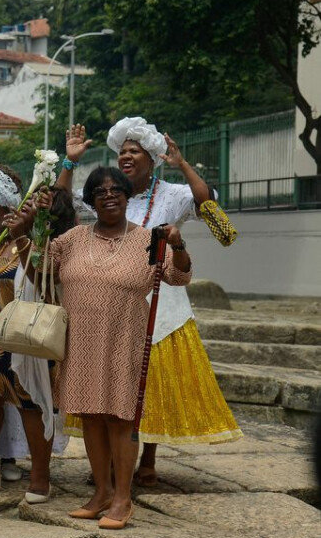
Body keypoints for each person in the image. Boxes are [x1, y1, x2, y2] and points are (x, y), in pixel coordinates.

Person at [57, 119, 241, 485]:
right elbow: (60, 209)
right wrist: (69, 162)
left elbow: (215, 217)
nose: (126, 156)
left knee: (151, 385)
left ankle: (148, 460)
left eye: (134, 151)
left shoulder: (172, 194)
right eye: (122, 151)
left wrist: (183, 165)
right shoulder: (107, 194)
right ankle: (110, 464)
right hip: (106, 305)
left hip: (163, 304)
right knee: (111, 387)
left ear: (152, 158)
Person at [9, 166, 193, 529]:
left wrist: (178, 244)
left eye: (116, 190)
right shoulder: (73, 239)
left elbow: (180, 275)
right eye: (100, 191)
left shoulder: (148, 239)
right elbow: (40, 272)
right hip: (81, 342)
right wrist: (22, 238)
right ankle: (102, 493)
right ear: (91, 200)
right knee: (91, 417)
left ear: (127, 197)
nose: (109, 195)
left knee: (119, 418)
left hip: (125, 341)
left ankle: (123, 498)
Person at [0, 168, 77, 502]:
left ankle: (40, 477)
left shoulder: (37, 234)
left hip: (27, 333)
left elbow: (42, 273)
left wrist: (24, 233)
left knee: (31, 400)